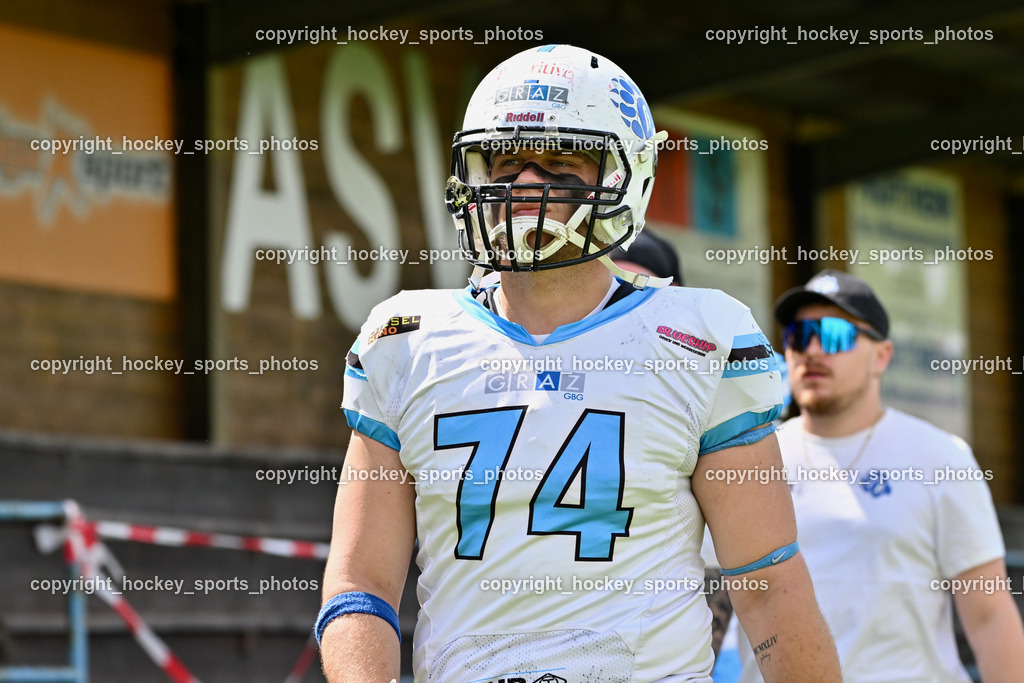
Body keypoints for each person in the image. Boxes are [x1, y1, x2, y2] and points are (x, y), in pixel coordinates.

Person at [317, 44, 840, 682]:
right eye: (506, 161)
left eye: (560, 161)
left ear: (624, 175)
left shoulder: (700, 340)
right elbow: (361, 584)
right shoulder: (405, 341)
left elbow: (767, 584)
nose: (525, 185)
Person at [732, 269, 1024, 682]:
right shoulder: (748, 458)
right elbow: (711, 596)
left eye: (834, 335)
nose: (812, 350)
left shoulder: (939, 457)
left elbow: (989, 614)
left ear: (882, 356)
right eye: (797, 335)